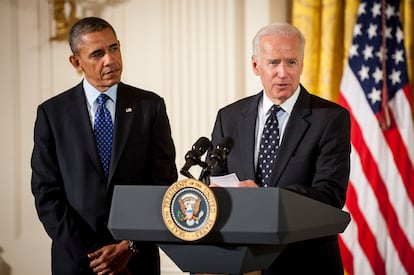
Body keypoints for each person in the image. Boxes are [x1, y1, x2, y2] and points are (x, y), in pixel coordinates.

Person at [31, 17, 178, 275]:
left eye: (114, 48)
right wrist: (98, 256)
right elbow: (47, 194)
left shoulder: (150, 107)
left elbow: (162, 187)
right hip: (78, 262)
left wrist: (128, 248)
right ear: (76, 62)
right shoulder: (52, 114)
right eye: (97, 54)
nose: (110, 60)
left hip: (136, 262)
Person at [207, 22, 351, 275]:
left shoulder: (330, 118)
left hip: (305, 262)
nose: (283, 73)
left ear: (302, 64)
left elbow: (330, 195)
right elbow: (214, 177)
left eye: (291, 62)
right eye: (273, 62)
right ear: (256, 65)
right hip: (239, 261)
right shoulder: (229, 117)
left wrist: (263, 197)